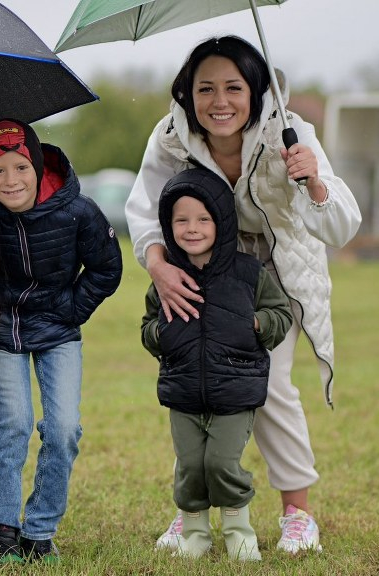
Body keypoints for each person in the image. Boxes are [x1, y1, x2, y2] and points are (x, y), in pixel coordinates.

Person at [124, 36, 362, 555]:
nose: (219, 101)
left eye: (233, 87)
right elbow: (144, 210)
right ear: (187, 93)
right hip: (204, 275)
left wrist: (313, 181)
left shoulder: (291, 133)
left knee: (269, 385)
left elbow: (343, 227)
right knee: (198, 383)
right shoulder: (169, 138)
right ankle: (191, 514)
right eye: (205, 88)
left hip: (273, 277)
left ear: (256, 91)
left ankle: (298, 514)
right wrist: (158, 266)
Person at [0, 118, 123, 564]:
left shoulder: (77, 210)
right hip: (2, 330)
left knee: (63, 428)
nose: (11, 180)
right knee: (14, 423)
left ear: (38, 166)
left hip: (58, 330)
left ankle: (39, 533)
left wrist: (72, 310)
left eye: (21, 167)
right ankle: (2, 531)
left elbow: (107, 269)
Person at [141, 168, 294, 562]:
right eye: (181, 220)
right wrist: (161, 333)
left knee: (222, 463)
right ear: (168, 225)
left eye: (203, 219)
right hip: (183, 389)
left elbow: (280, 314)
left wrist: (255, 324)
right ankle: (195, 534)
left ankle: (239, 533)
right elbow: (148, 327)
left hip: (235, 389)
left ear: (222, 222)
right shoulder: (167, 278)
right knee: (191, 466)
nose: (191, 228)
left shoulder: (248, 273)